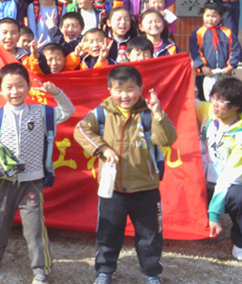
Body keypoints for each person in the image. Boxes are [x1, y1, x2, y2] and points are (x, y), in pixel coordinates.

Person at [0, 63, 75, 283]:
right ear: (0, 89)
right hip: (3, 182)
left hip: (32, 182)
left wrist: (56, 93)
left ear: (28, 86)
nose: (14, 91)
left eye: (20, 85)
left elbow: (68, 112)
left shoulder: (41, 112)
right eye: (8, 87)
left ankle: (40, 270)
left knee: (34, 229)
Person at [74, 65, 177, 284]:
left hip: (146, 188)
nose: (124, 96)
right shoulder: (101, 112)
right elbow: (81, 130)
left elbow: (167, 139)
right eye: (118, 90)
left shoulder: (149, 113)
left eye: (130, 89)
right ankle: (104, 272)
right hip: (112, 188)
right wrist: (103, 148)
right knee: (108, 234)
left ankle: (151, 273)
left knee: (150, 236)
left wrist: (158, 114)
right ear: (109, 90)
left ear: (140, 88)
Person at [197, 77, 242, 262]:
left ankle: (241, 242)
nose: (214, 104)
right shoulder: (209, 112)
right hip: (199, 179)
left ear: (236, 106)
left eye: (222, 100)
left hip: (223, 184)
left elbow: (230, 177)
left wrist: (214, 212)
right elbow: (185, 101)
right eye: (213, 97)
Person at [190, 0, 242, 101]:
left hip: (224, 73)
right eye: (207, 16)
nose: (210, 19)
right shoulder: (198, 33)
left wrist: (231, 66)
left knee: (223, 97)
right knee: (204, 98)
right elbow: (195, 52)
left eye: (214, 16)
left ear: (220, 16)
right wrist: (202, 66)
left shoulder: (227, 32)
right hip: (205, 73)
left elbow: (235, 50)